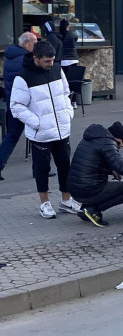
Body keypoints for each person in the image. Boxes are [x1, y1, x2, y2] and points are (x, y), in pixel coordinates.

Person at [10, 41, 81, 218]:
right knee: (41, 169)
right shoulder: (23, 77)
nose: (51, 64)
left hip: (61, 129)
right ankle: (44, 204)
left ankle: (66, 201)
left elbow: (65, 92)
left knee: (65, 165)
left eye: (53, 60)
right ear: (36, 58)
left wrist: (67, 112)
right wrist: (37, 122)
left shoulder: (57, 69)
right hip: (41, 133)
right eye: (47, 61)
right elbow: (16, 106)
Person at [0, 32, 37, 181]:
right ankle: (39, 170)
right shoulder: (25, 59)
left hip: (13, 103)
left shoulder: (10, 56)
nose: (36, 46)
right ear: (26, 44)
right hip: (26, 104)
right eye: (35, 43)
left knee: (12, 135)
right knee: (38, 136)